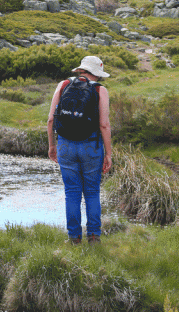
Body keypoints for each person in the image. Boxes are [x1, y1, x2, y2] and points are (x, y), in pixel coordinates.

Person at [47, 55, 113, 245]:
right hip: (91, 146)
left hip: (65, 145)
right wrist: (108, 154)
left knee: (72, 192)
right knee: (92, 192)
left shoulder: (63, 84)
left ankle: (74, 238)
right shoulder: (101, 90)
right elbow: (104, 125)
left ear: (81, 69)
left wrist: (52, 146)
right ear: (97, 73)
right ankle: (93, 237)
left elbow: (51, 120)